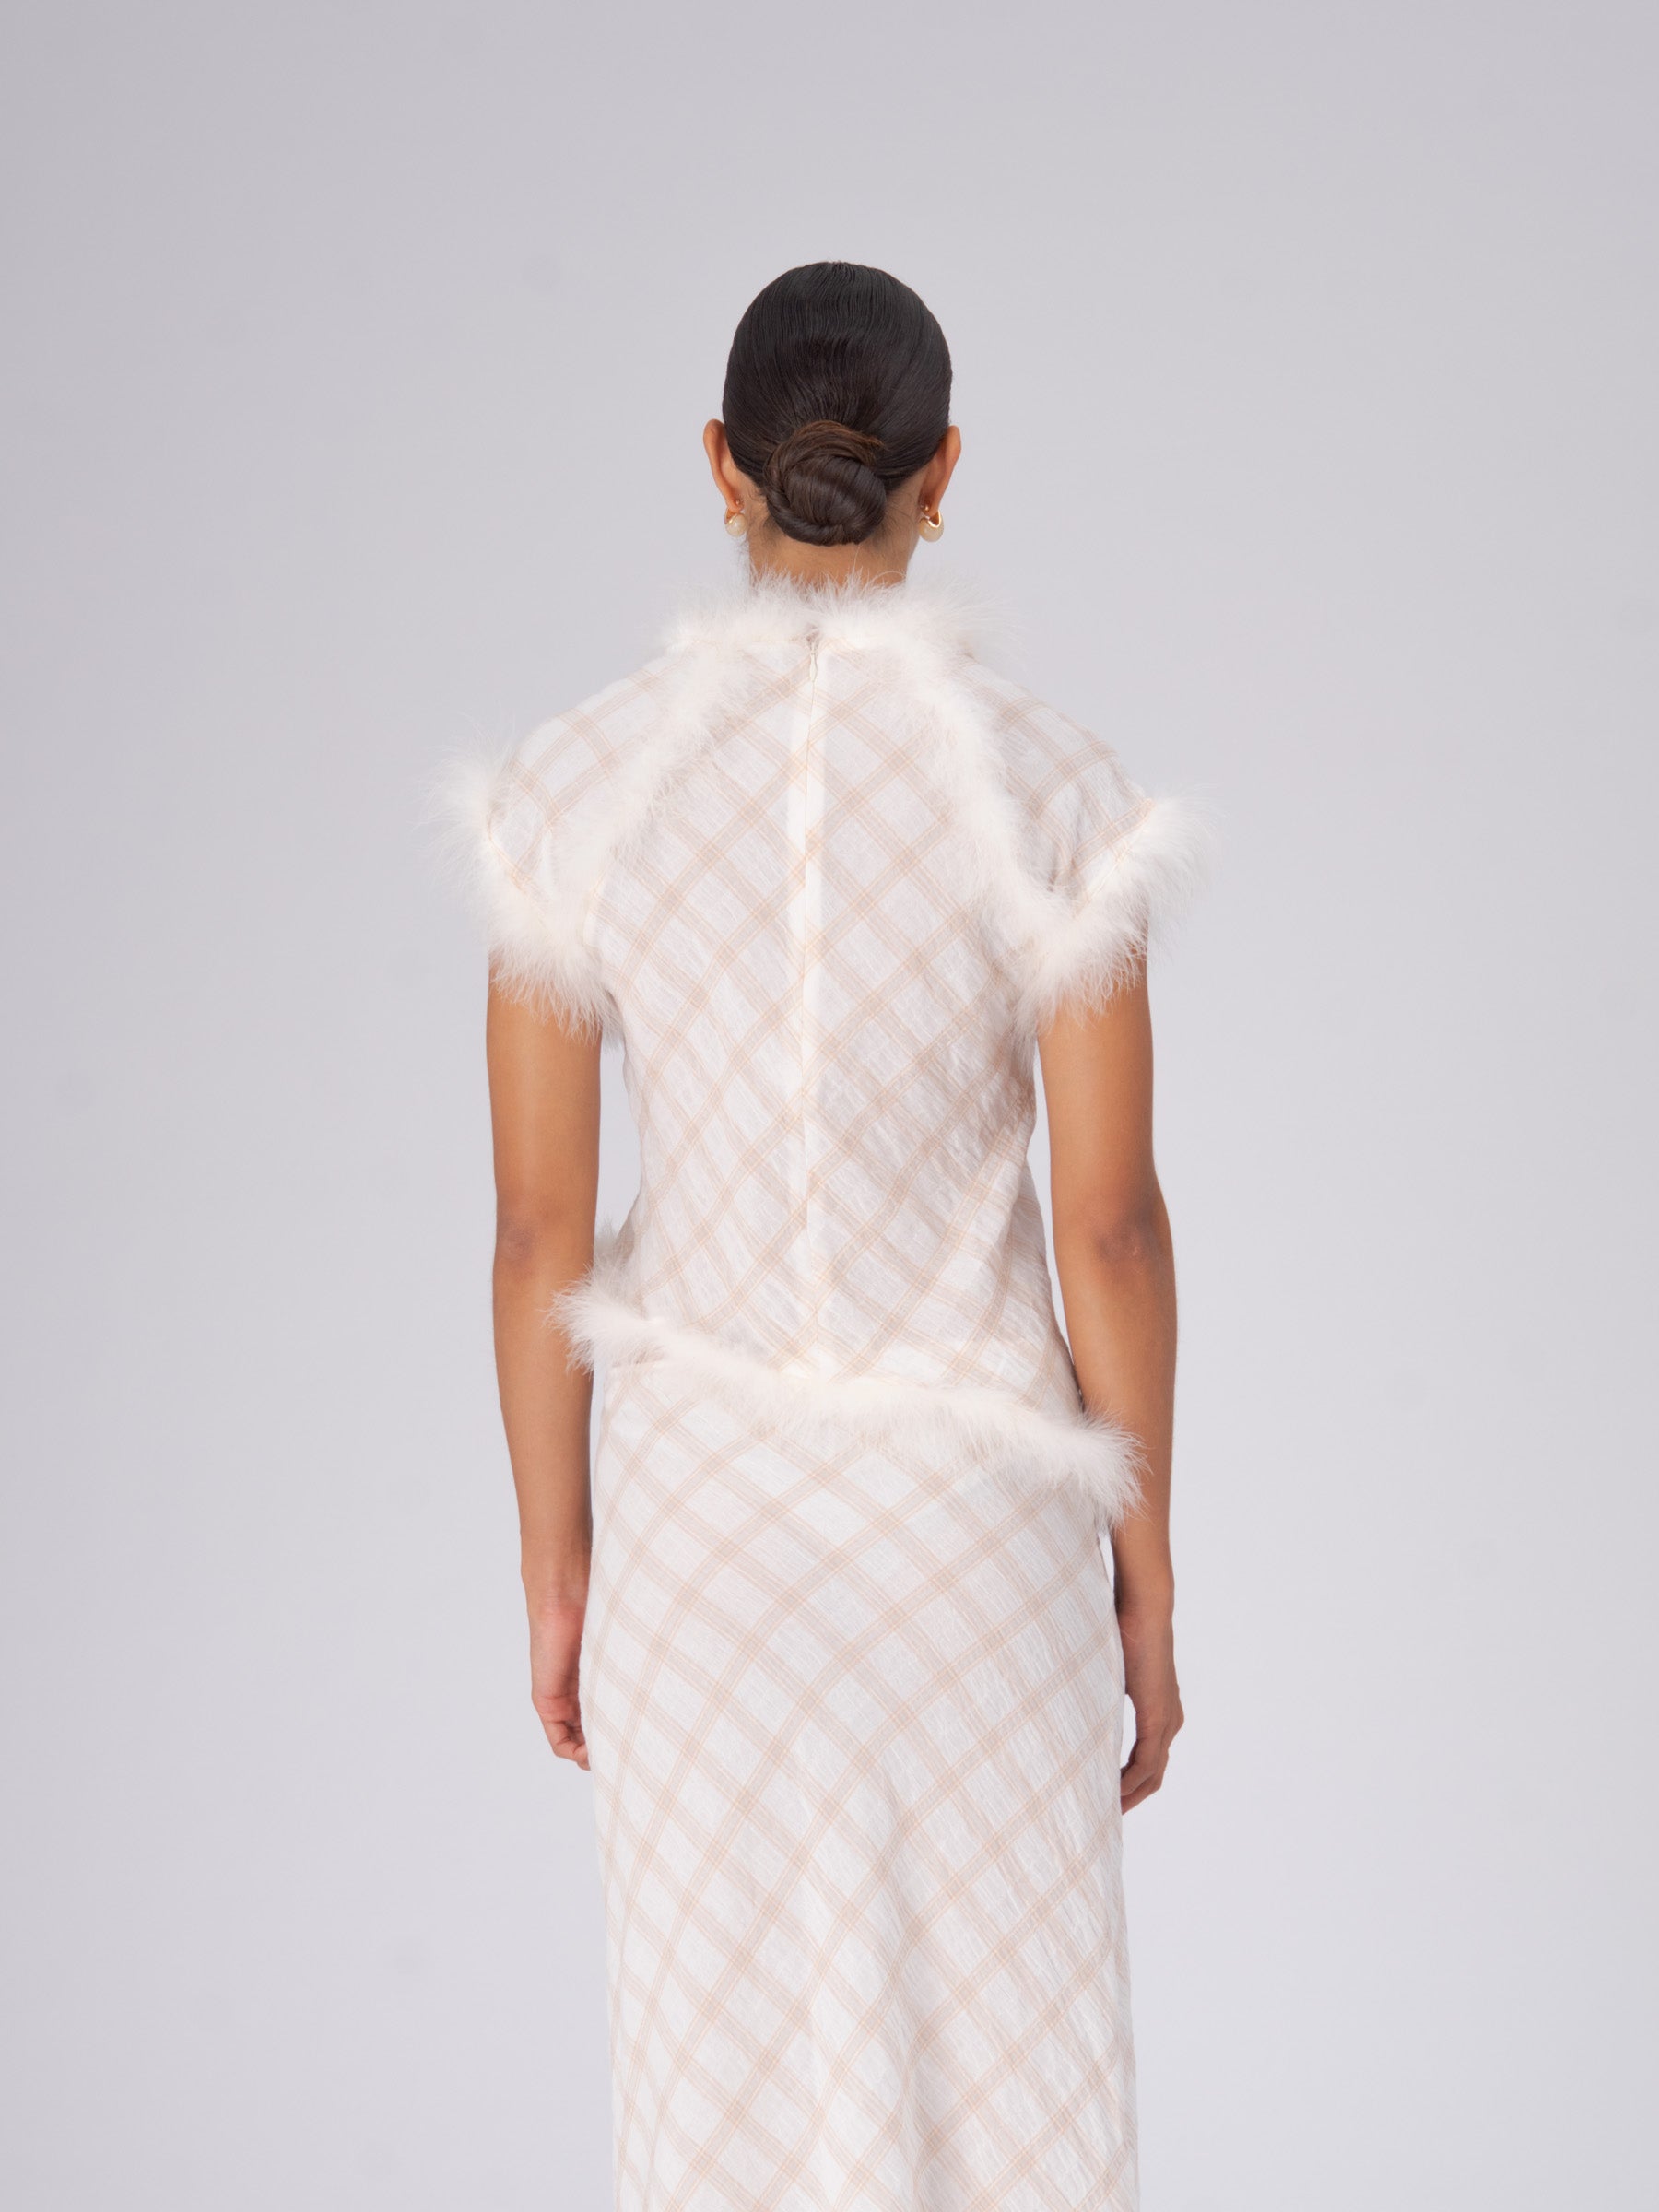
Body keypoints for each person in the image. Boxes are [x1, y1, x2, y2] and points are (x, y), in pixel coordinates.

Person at [460, 260, 1204, 2212]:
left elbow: (538, 1232)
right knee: (1013, 2117)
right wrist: (1144, 1582)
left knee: (724, 2122)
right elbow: (1110, 1230)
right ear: (943, 476)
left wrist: (559, 1569)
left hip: (704, 1547)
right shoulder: (1052, 789)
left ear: (721, 466)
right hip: (975, 1548)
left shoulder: (572, 789)